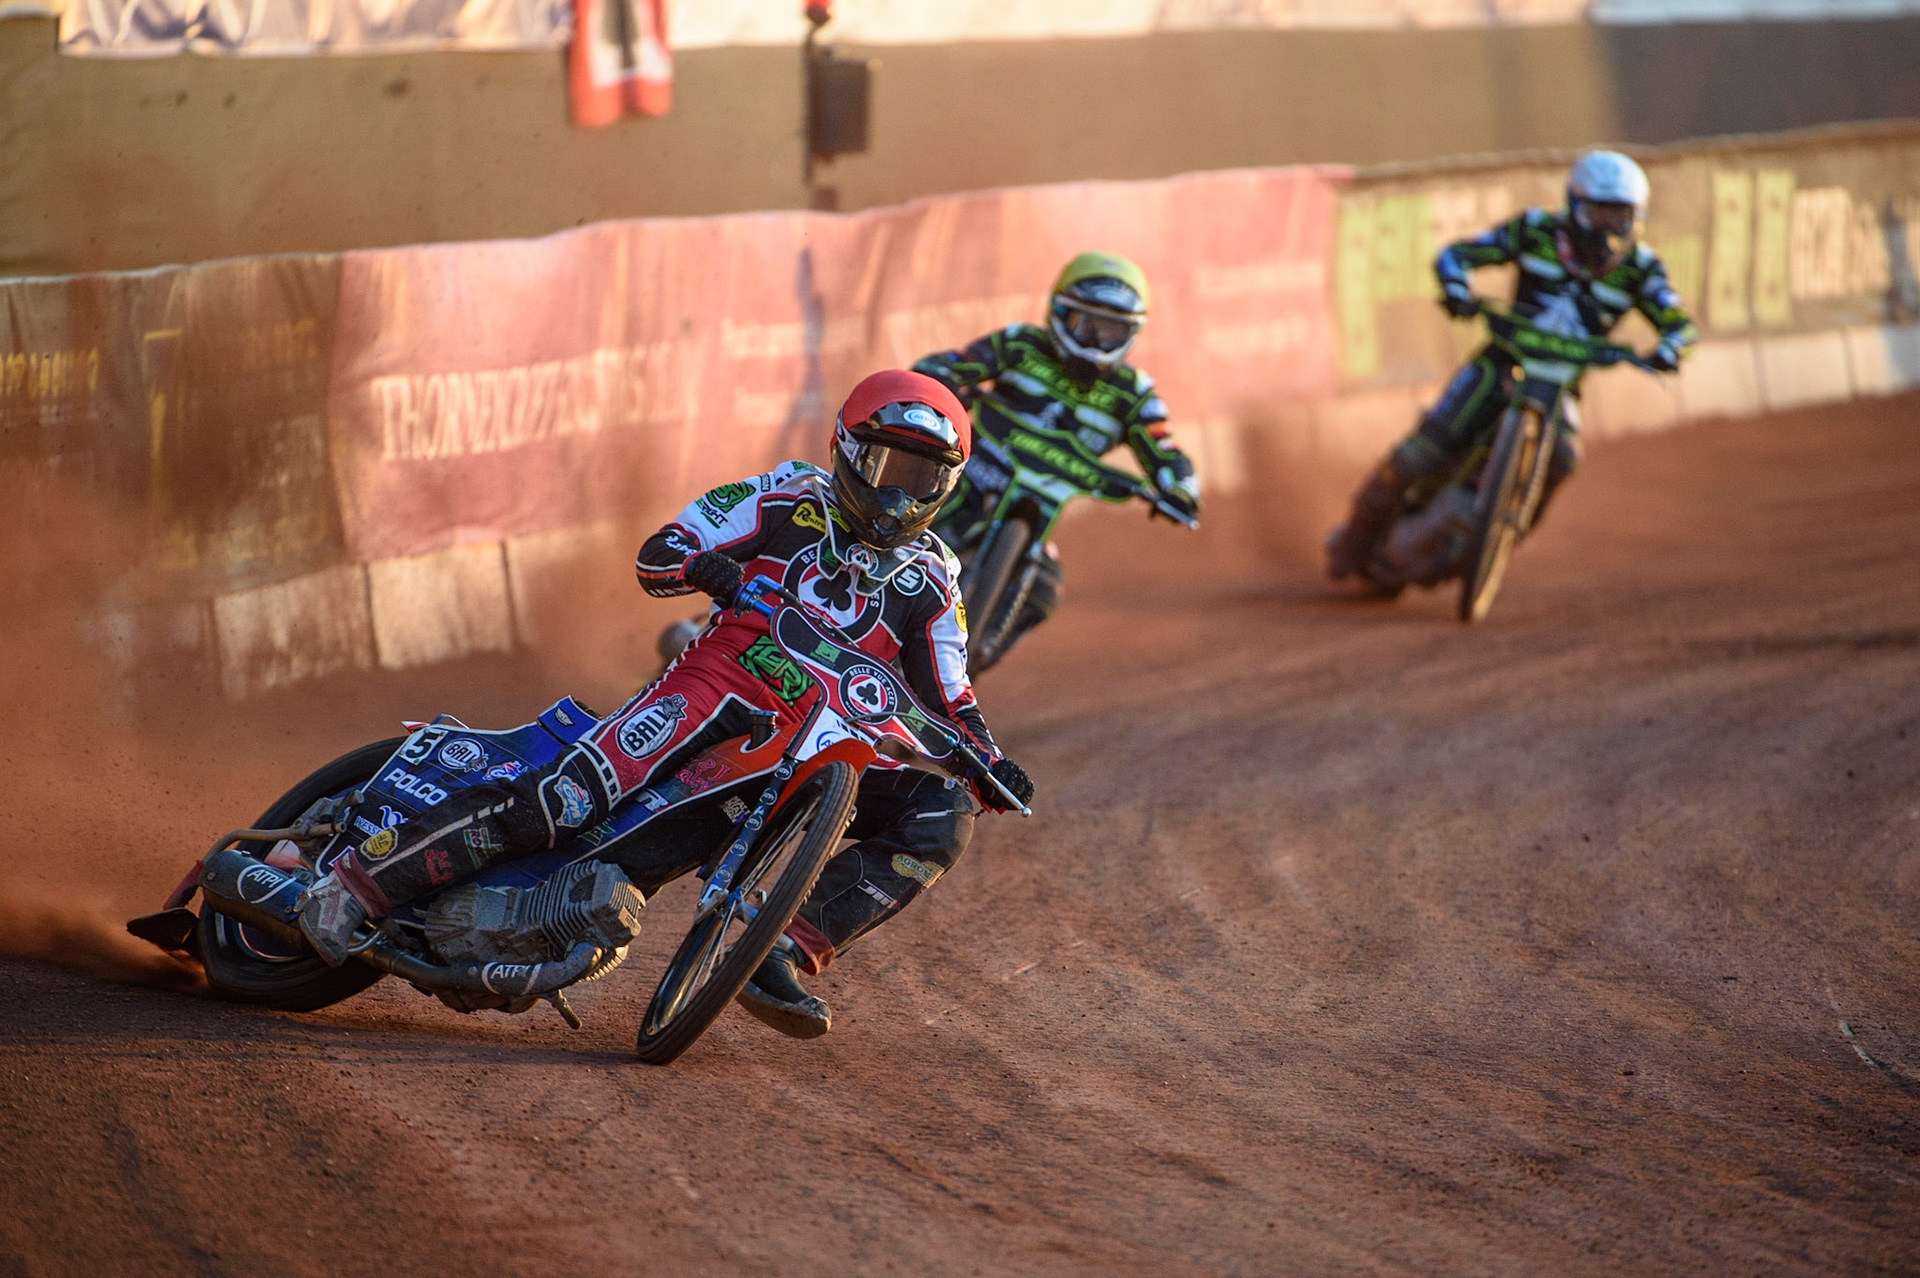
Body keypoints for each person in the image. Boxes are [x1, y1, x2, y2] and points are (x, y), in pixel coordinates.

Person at [295, 369, 1035, 1038]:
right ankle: (356, 885)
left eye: (921, 477)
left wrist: (990, 761)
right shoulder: (785, 496)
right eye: (884, 468)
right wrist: (702, 566)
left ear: (949, 484)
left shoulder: (934, 579)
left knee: (943, 814)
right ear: (847, 450)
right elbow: (663, 548)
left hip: (815, 756)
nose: (896, 494)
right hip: (713, 691)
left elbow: (952, 693)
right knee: (563, 801)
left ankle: (782, 947)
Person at [1325, 150, 1698, 584]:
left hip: (1561, 385)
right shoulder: (1537, 230)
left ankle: (1503, 537)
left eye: (1622, 215)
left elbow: (1680, 324)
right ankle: (1356, 533)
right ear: (1575, 205)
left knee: (1563, 458)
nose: (1610, 227)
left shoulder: (1642, 268)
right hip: (1500, 362)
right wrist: (1456, 289)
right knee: (1418, 454)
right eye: (1600, 212)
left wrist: (1671, 348)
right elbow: (1457, 255)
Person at [912, 251, 1199, 639]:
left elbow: (1164, 446)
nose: (1096, 340)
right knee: (908, 506)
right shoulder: (1021, 343)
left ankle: (978, 654)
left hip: (1042, 503)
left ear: (1131, 333)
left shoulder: (1133, 392)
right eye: (1086, 324)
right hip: (973, 470)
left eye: (1110, 330)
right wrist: (942, 377)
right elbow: (955, 363)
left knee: (1044, 591)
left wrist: (1179, 488)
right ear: (1060, 312)